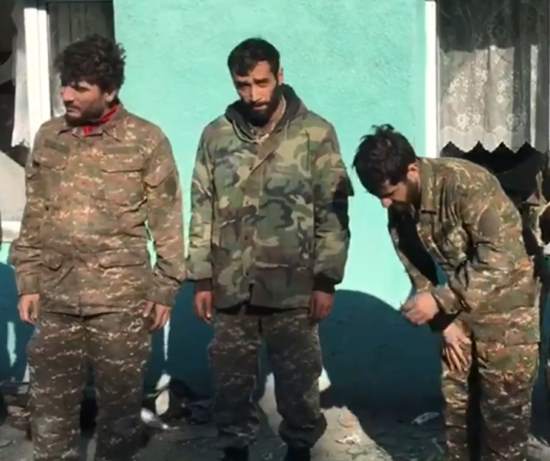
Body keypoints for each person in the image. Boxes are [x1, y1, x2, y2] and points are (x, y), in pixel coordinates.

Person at [9, 34, 185, 461]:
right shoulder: (50, 138)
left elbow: (167, 221)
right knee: (49, 415)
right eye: (64, 84)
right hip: (57, 298)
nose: (66, 95)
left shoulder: (145, 140)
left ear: (110, 91)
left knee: (120, 417)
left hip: (120, 303)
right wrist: (28, 280)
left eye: (80, 87)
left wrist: (164, 288)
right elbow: (35, 213)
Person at [187, 37, 352, 461]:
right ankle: (235, 451)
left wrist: (326, 280)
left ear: (280, 76)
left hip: (294, 287)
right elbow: (201, 207)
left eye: (262, 83)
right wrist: (201, 277)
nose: (254, 95)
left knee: (298, 386)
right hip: (231, 285)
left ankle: (299, 450)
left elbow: (332, 212)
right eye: (243, 85)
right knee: (229, 383)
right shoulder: (216, 135)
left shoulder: (315, 133)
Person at [353, 125, 538, 460]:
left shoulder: (466, 184)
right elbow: (415, 264)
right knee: (459, 423)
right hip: (459, 317)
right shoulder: (400, 206)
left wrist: (439, 300)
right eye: (376, 195)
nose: (384, 203)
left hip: (508, 318)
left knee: (503, 429)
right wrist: (444, 323)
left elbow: (501, 256)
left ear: (411, 170)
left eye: (389, 192)